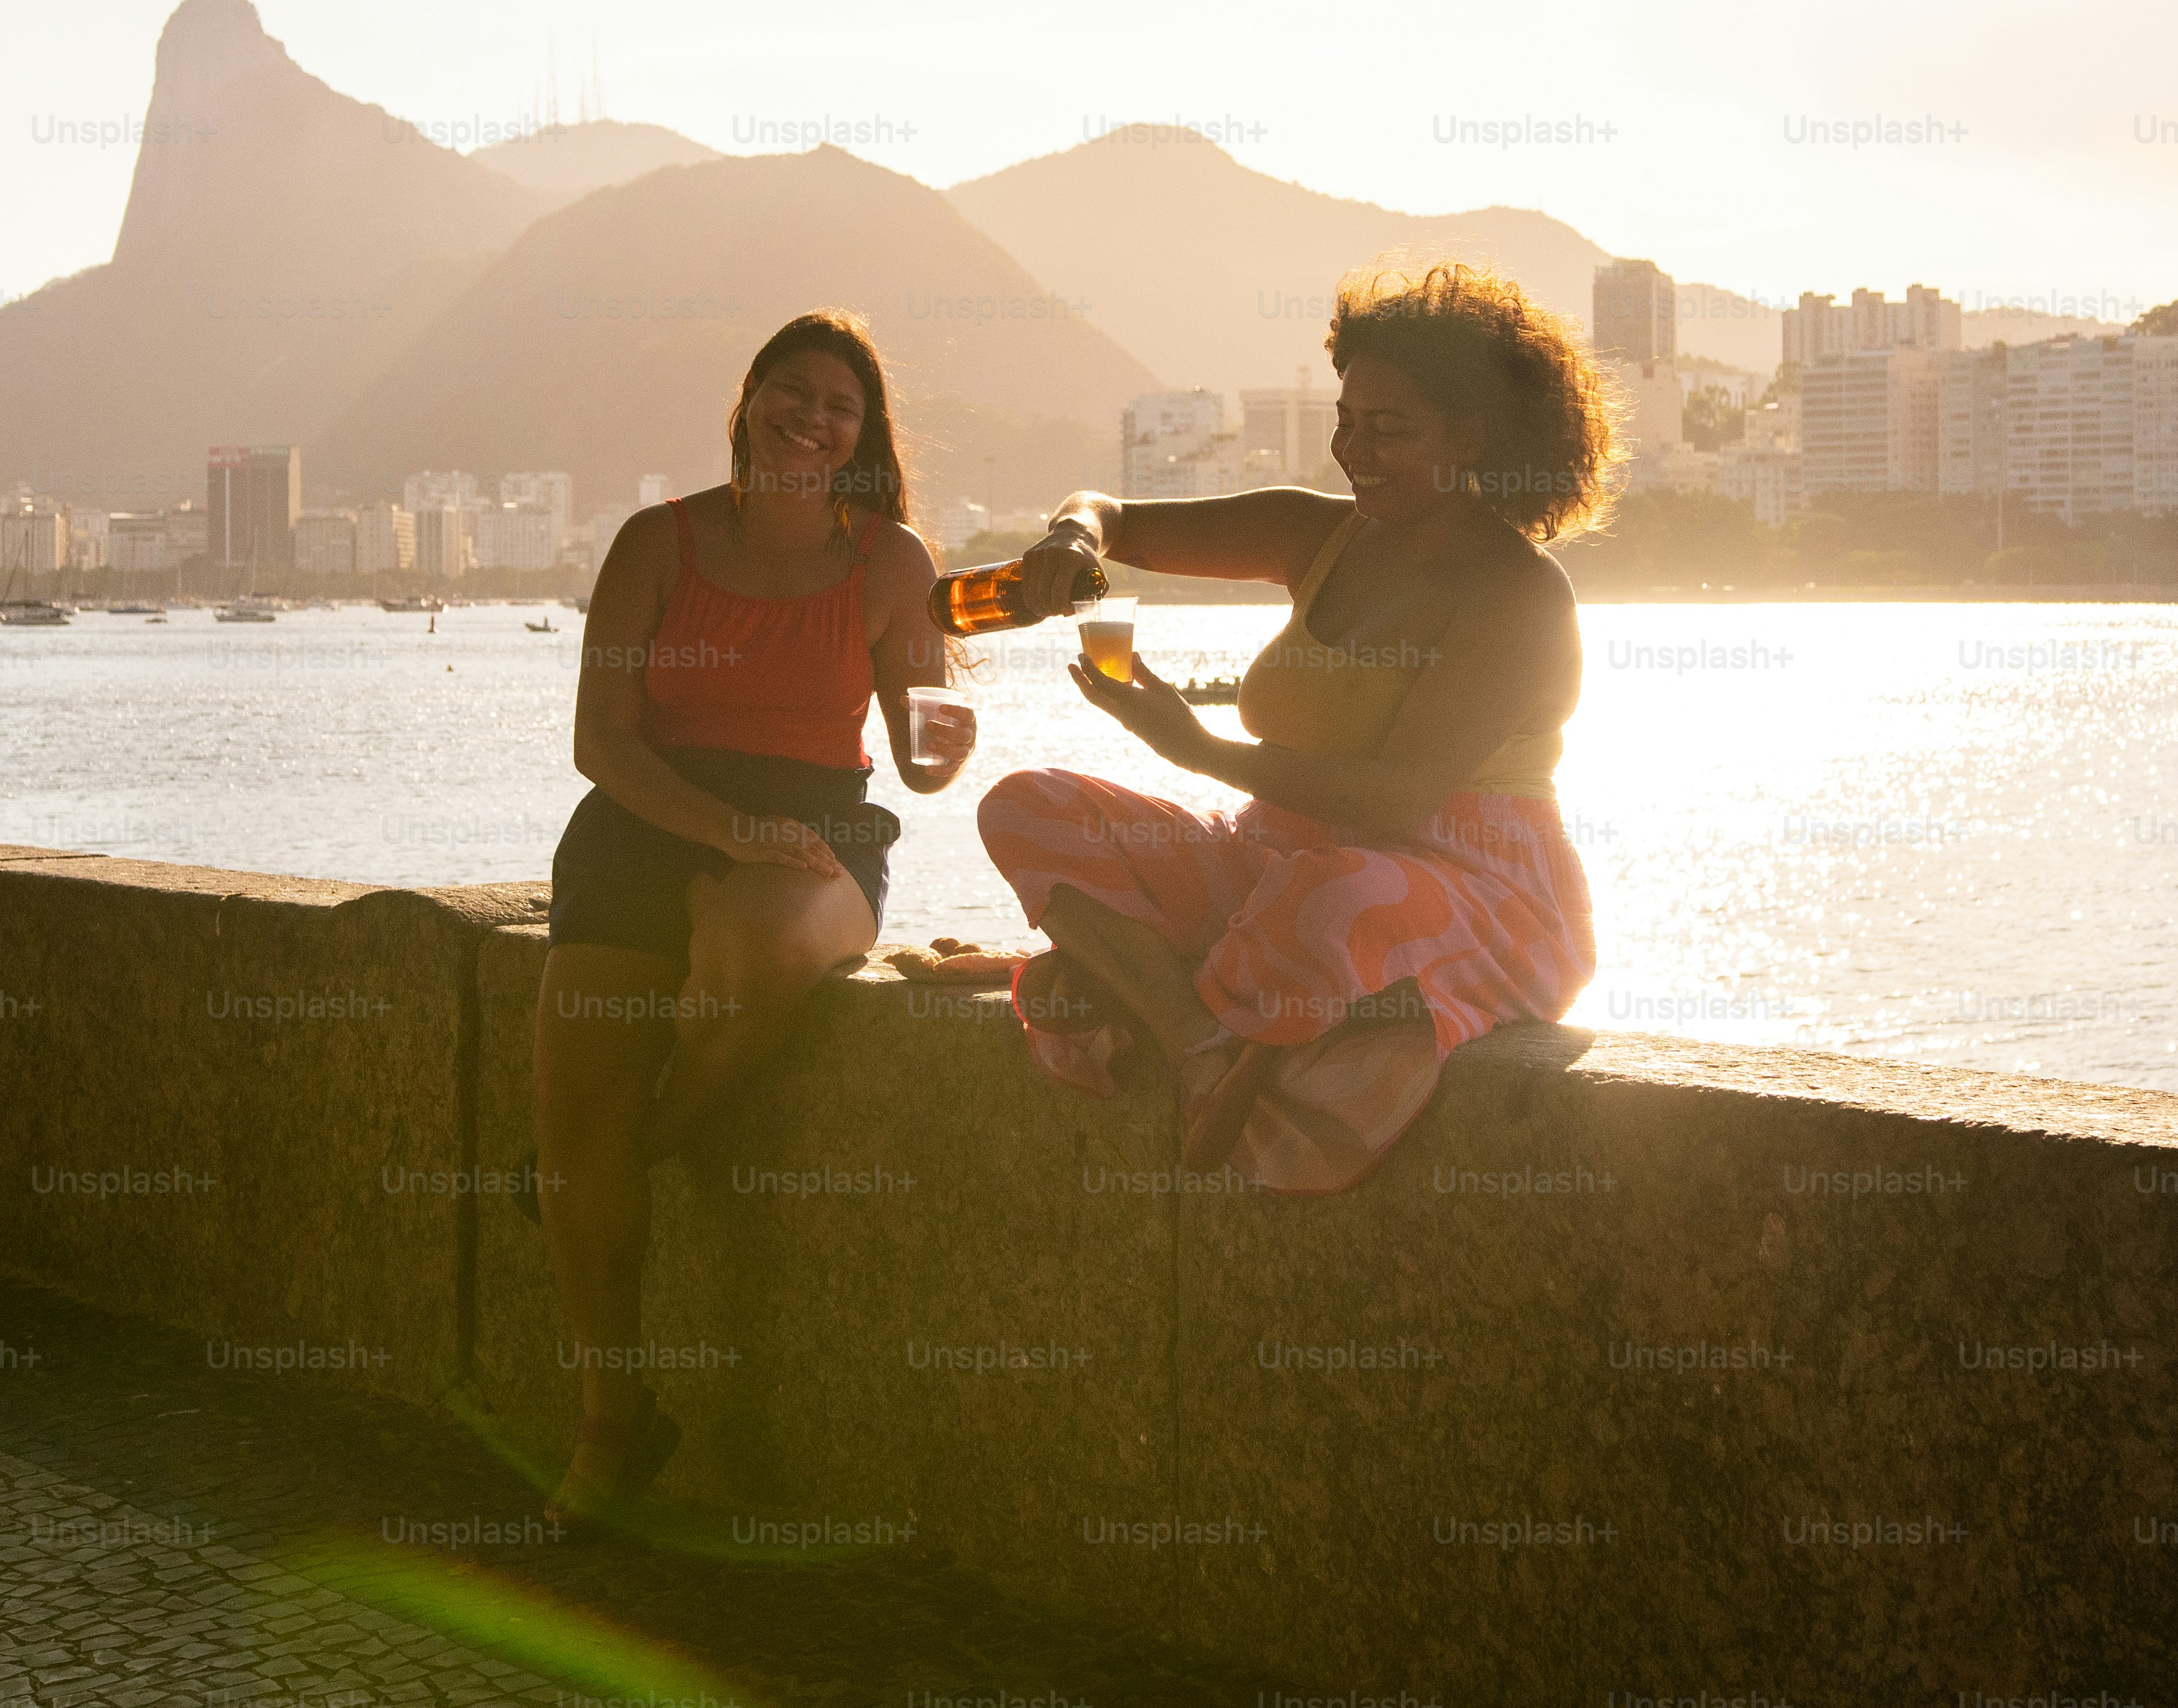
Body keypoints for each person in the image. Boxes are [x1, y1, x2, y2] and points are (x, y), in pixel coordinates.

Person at [976, 260, 1604, 1192]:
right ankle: (1203, 1045)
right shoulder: (1315, 532)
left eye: (1390, 429)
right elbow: (1108, 513)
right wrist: (1074, 541)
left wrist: (1192, 747)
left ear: (1475, 436)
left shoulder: (1518, 593)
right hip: (1277, 856)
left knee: (1334, 899)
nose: (1356, 450)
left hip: (1469, 881)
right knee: (1026, 807)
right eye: (1347, 421)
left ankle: (1159, 991)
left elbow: (1401, 800)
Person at [531, 310, 971, 1527]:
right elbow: (600, 741)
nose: (811, 417)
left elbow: (922, 759)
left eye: (840, 405)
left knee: (761, 951)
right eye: (791, 391)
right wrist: (721, 831)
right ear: (748, 404)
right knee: (576, 1121)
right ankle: (615, 1420)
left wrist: (947, 740)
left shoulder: (891, 562)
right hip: (648, 815)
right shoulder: (654, 544)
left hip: (818, 824)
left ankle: (642, 1147)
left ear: (860, 437)